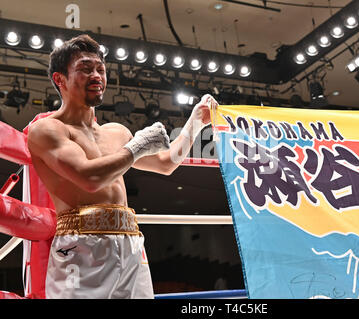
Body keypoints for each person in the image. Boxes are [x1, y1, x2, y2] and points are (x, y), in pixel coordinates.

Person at [26, 34, 218, 299]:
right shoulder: (46, 129)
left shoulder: (116, 132)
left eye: (100, 69)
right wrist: (138, 146)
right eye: (85, 69)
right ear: (60, 79)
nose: (96, 75)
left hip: (130, 243)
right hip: (81, 247)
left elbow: (166, 164)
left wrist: (195, 122)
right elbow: (89, 177)